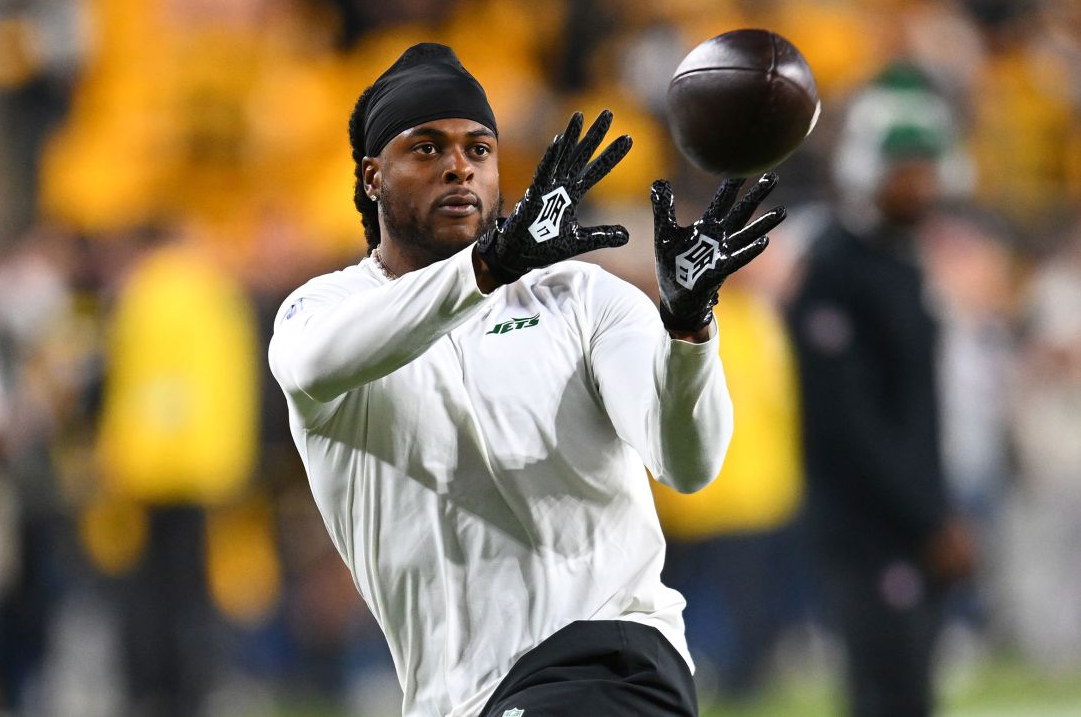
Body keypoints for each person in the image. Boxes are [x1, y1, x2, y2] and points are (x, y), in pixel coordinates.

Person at [268, 43, 786, 716]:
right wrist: (487, 267)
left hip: (608, 656)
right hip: (458, 696)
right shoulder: (325, 310)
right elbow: (318, 361)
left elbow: (688, 463)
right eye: (426, 148)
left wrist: (689, 329)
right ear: (372, 177)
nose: (459, 166)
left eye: (478, 149)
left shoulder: (579, 299)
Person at [786, 66, 977, 717]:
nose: (921, 183)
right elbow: (848, 423)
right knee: (888, 694)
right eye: (906, 168)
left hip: (910, 520)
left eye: (927, 167)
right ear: (868, 168)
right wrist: (928, 519)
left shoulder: (898, 261)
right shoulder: (836, 269)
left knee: (912, 695)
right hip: (871, 529)